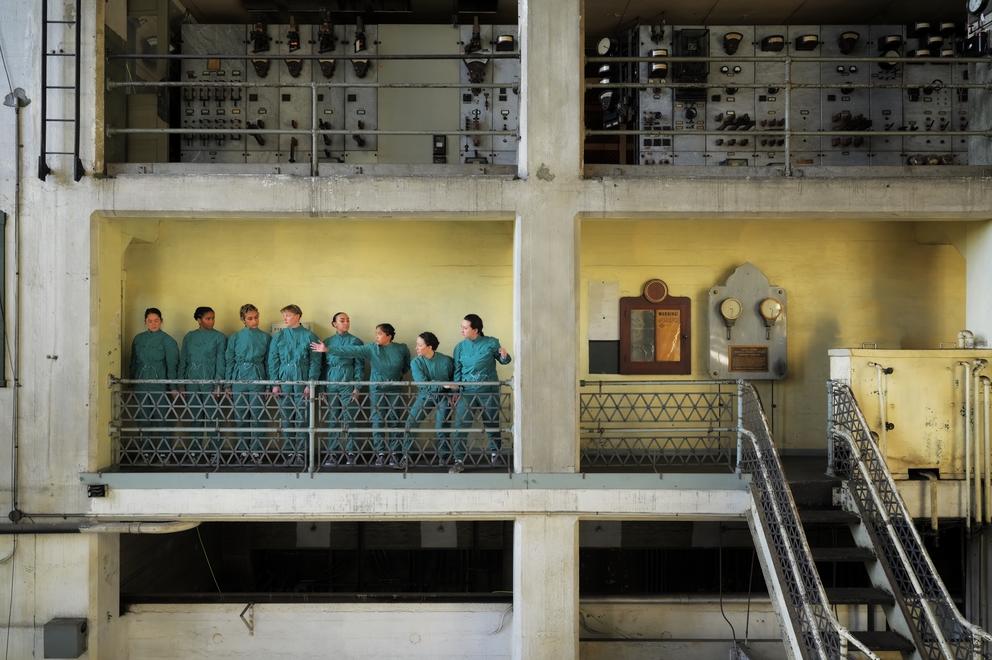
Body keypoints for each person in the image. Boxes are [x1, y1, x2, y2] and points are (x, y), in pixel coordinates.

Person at [312, 323, 409, 467]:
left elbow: (406, 365)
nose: (376, 336)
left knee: (395, 420)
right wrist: (328, 349)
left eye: (379, 334)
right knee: (378, 420)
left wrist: (398, 376)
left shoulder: (401, 348)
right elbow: (350, 350)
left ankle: (395, 453)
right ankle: (380, 454)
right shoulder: (371, 348)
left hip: (394, 388)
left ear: (388, 336)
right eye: (376, 333)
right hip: (376, 388)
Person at [452, 313, 511, 472]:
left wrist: (505, 356)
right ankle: (458, 459)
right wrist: (456, 392)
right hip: (467, 393)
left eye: (465, 328)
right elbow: (457, 371)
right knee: (460, 424)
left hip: (488, 392)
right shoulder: (459, 347)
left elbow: (504, 360)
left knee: (491, 422)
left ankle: (495, 454)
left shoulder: (491, 343)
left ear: (475, 330)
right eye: (461, 327)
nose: (462, 330)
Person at [268, 305, 322, 462]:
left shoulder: (310, 336)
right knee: (286, 416)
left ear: (298, 316)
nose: (285, 318)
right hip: (284, 378)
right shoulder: (279, 336)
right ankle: (289, 451)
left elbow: (315, 361)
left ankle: (301, 452)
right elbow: (273, 360)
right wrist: (275, 383)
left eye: (288, 315)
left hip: (302, 378)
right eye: (283, 316)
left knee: (302, 417)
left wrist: (310, 383)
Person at [129, 308, 180, 462]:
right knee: (143, 418)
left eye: (156, 320)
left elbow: (172, 366)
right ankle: (146, 452)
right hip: (141, 383)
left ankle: (165, 452)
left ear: (161, 321)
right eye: (150, 321)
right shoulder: (138, 339)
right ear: (145, 322)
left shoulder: (168, 341)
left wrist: (172, 388)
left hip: (160, 385)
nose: (153, 324)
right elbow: (133, 363)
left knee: (163, 418)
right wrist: (132, 382)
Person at [179, 307, 227, 456]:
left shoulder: (219, 337)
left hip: (210, 382)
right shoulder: (189, 337)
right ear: (199, 320)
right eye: (208, 318)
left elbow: (221, 362)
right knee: (194, 416)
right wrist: (181, 384)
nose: (211, 321)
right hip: (191, 381)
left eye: (213, 318)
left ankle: (215, 451)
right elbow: (183, 360)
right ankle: (194, 451)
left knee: (213, 416)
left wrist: (218, 384)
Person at [225, 304, 271, 461]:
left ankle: (257, 449)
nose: (254, 320)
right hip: (238, 378)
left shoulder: (265, 337)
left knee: (258, 414)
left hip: (258, 377)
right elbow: (229, 361)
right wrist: (227, 384)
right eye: (250, 318)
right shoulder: (235, 337)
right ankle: (243, 449)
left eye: (256, 317)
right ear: (243, 320)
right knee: (240, 415)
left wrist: (269, 385)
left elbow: (268, 362)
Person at [319, 312, 364, 466]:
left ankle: (352, 453)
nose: (346, 323)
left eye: (347, 320)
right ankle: (333, 453)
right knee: (332, 419)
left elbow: (359, 366)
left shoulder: (355, 341)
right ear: (334, 324)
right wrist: (323, 387)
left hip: (347, 381)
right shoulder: (327, 342)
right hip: (331, 382)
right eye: (342, 320)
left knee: (349, 418)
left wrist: (357, 387)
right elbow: (323, 367)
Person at [404, 332, 454, 468]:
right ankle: (406, 456)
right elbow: (422, 384)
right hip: (425, 395)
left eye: (420, 345)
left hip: (444, 397)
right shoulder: (416, 362)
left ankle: (444, 457)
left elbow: (453, 382)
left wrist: (452, 393)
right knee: (410, 424)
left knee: (441, 428)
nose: (416, 348)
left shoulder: (447, 361)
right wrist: (441, 383)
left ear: (430, 347)